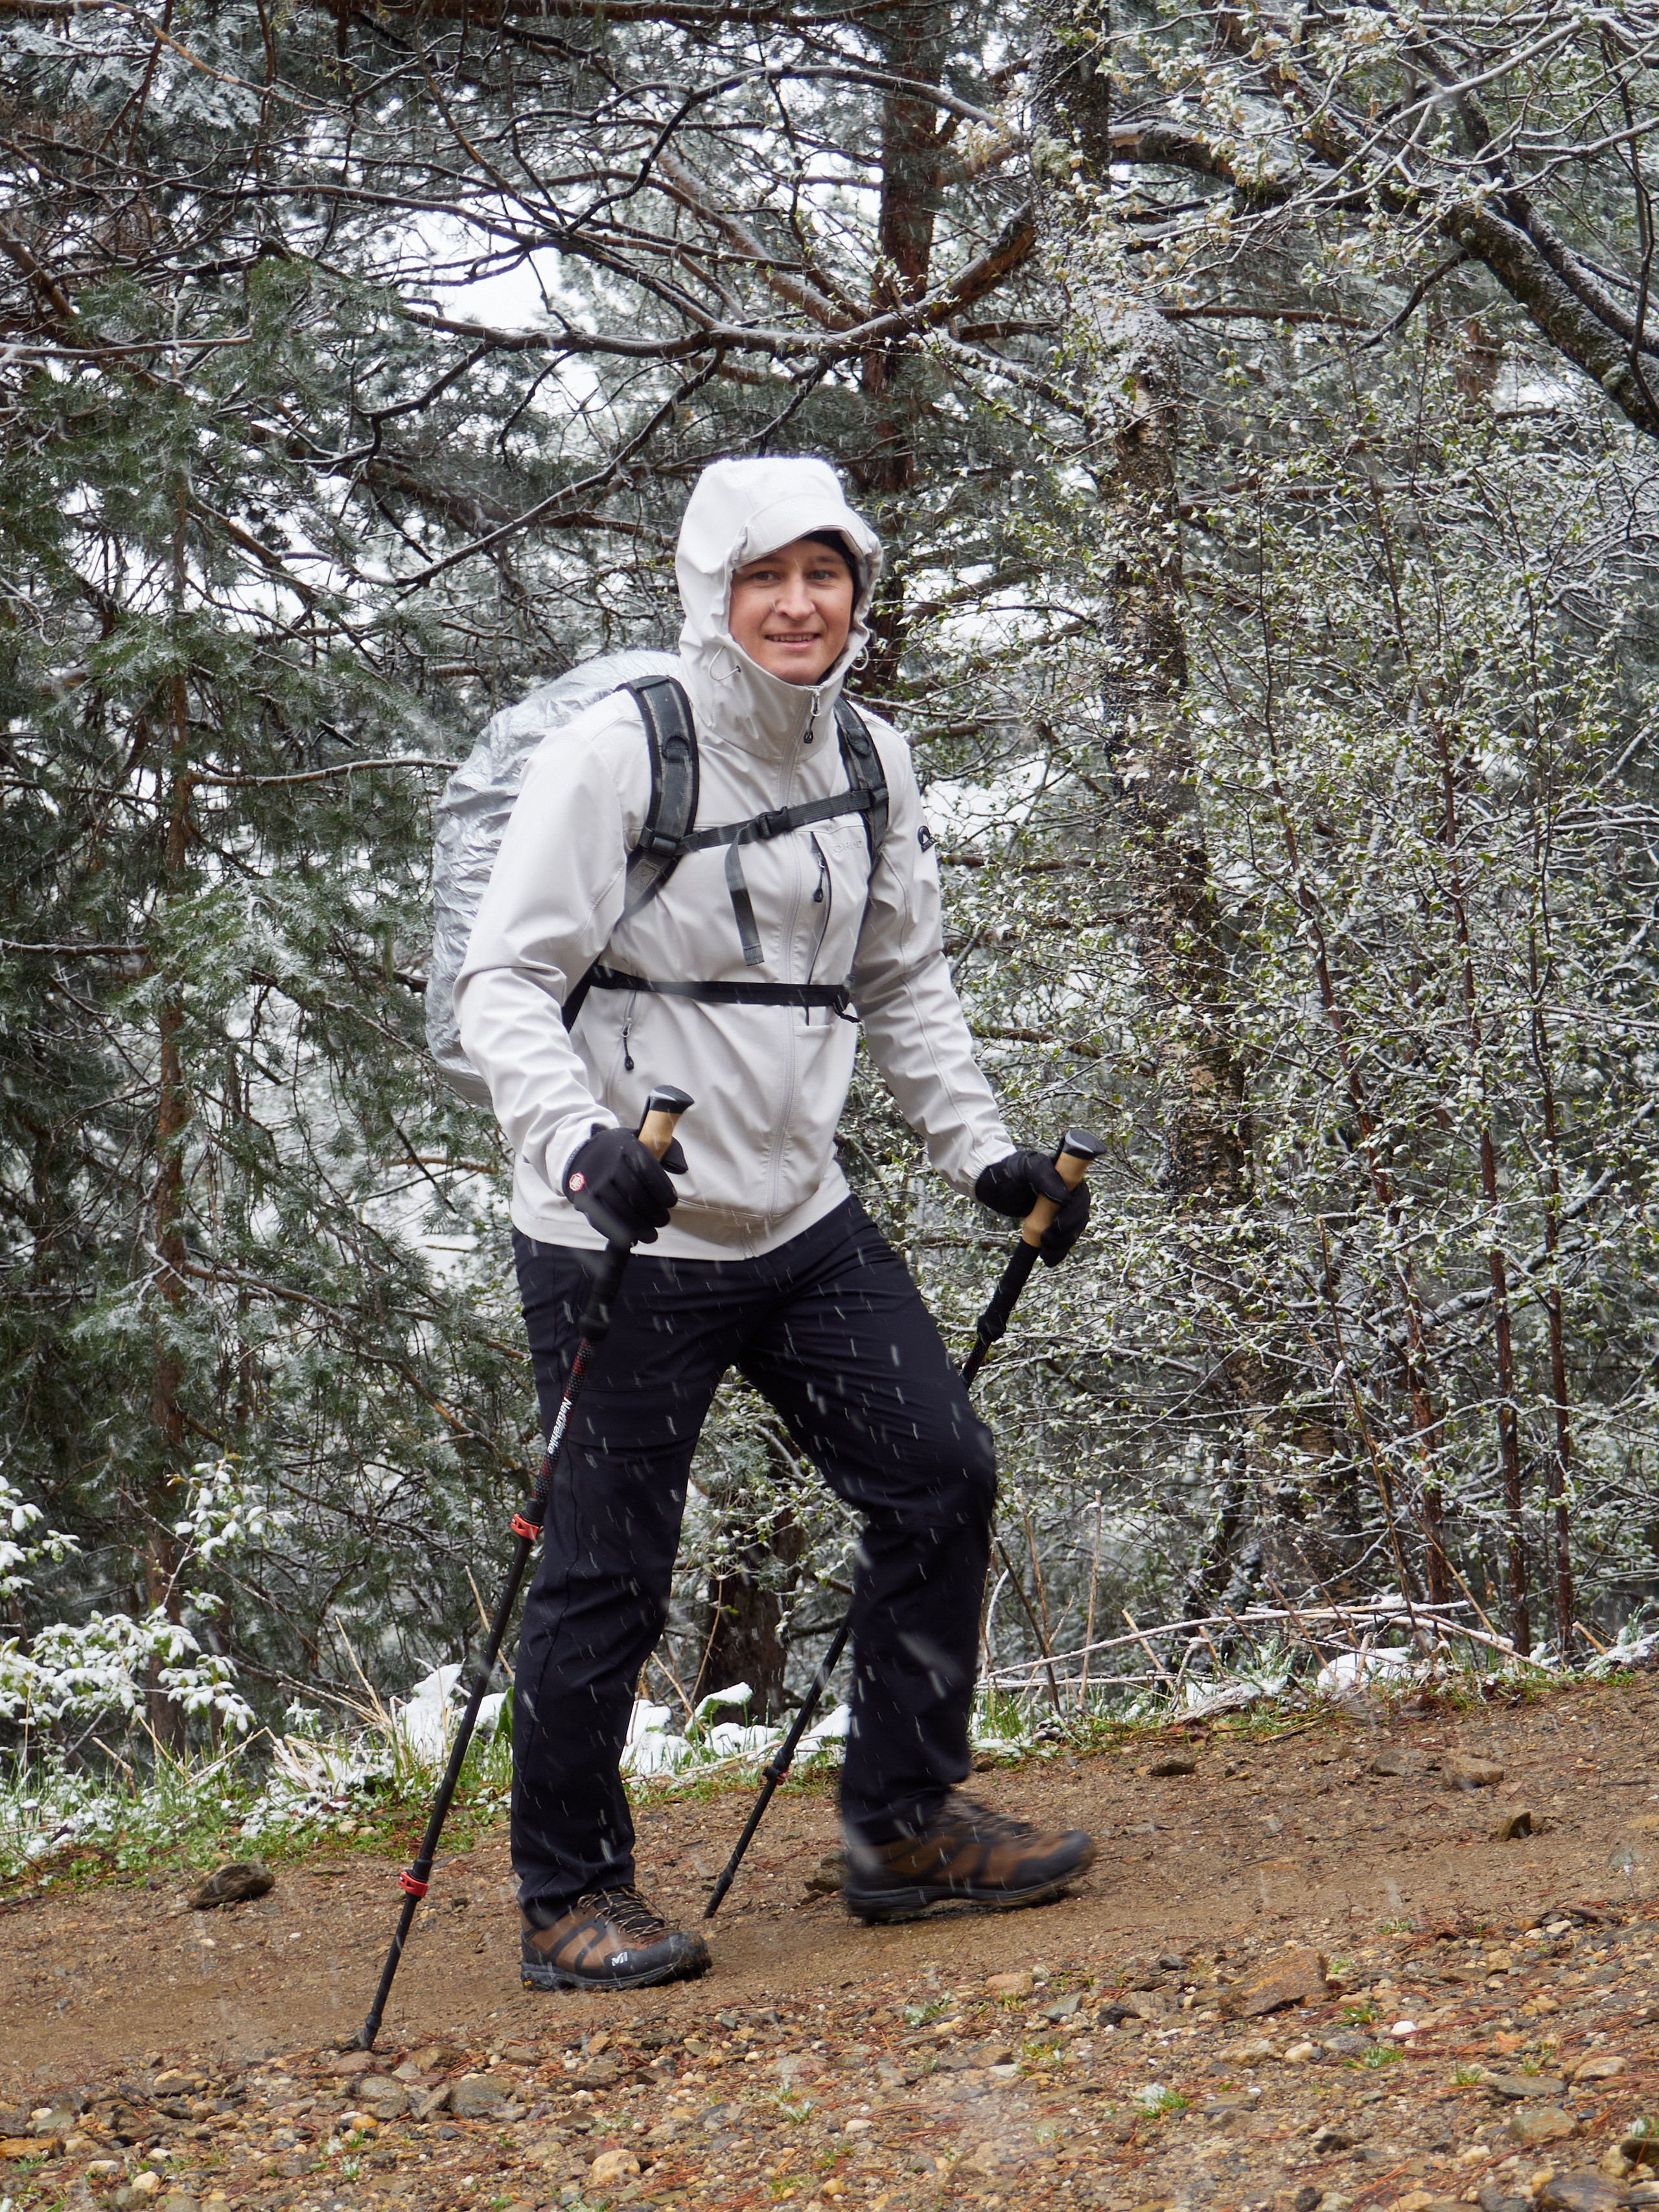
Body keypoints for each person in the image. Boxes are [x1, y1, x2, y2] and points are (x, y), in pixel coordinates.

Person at [454, 456, 1096, 1993]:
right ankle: (570, 1897)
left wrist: (983, 1156)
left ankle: (900, 1823)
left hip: (797, 1216)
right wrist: (578, 1145)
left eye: (824, 574)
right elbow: (502, 983)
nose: (798, 604)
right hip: (624, 1231)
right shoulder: (619, 757)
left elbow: (901, 980)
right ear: (710, 593)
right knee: (607, 1568)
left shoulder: (872, 756)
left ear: (856, 592)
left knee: (939, 1475)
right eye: (765, 577)